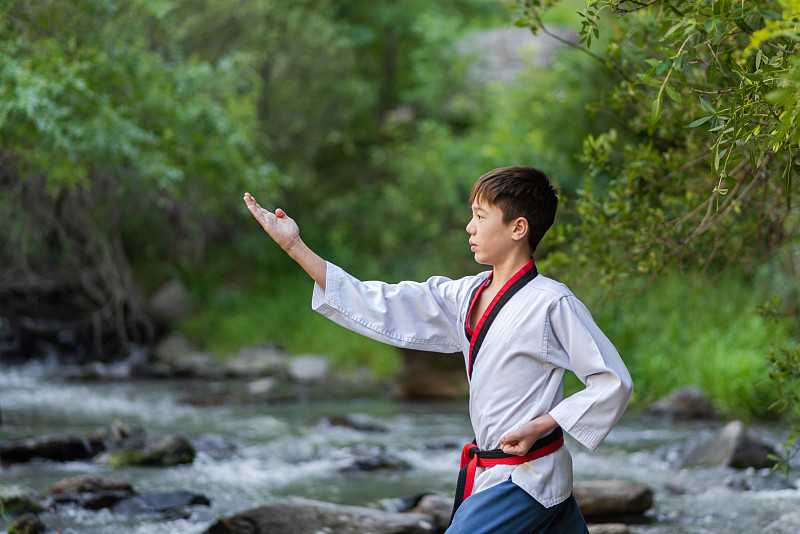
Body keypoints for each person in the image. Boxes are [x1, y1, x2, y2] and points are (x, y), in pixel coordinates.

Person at [243, 166, 633, 534]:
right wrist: (295, 246)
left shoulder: (552, 303)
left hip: (526, 477)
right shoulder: (466, 294)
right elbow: (383, 301)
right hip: (500, 474)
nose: (470, 227)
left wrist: (542, 424)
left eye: (480, 216)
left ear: (518, 227)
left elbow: (612, 380)